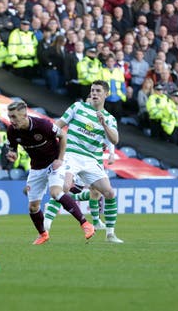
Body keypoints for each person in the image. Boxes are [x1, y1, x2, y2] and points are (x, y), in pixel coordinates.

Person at [5, 100, 95, 245]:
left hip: (54, 163)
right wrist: (12, 153)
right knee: (33, 207)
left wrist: (60, 159)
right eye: (10, 117)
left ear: (24, 115)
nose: (11, 120)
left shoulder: (43, 125)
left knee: (56, 192)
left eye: (14, 117)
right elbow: (12, 148)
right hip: (36, 167)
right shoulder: (12, 130)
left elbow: (63, 136)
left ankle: (85, 224)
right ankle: (43, 234)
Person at [54, 80, 123, 243]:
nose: (94, 93)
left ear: (106, 94)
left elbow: (115, 140)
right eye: (92, 90)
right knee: (64, 186)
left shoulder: (110, 119)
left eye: (98, 91)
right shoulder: (77, 107)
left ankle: (110, 234)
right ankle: (51, 213)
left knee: (109, 193)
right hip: (72, 154)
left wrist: (104, 124)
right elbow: (57, 126)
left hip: (92, 160)